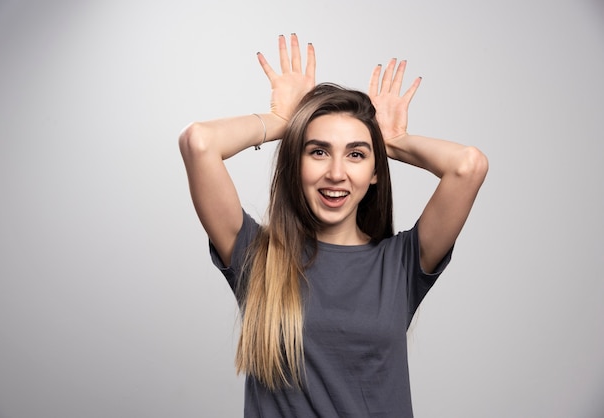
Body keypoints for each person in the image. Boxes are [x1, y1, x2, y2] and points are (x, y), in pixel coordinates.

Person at [179, 34, 488, 417]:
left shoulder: (402, 263)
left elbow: (468, 166)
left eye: (356, 155)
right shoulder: (257, 257)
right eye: (319, 151)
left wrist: (393, 141)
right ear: (297, 162)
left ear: (376, 172)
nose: (336, 173)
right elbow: (199, 142)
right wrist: (281, 121)